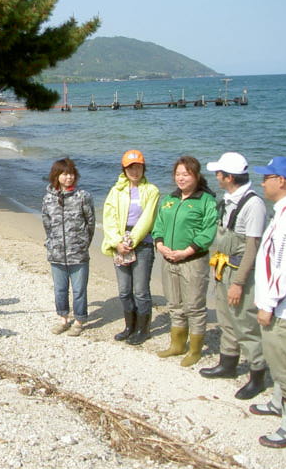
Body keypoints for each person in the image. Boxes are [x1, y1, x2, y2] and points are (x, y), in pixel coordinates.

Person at [248, 157, 286, 448]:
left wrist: (268, 304)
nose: (262, 182)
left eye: (267, 177)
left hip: (283, 307)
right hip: (275, 303)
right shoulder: (283, 213)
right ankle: (277, 402)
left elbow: (285, 267)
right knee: (275, 355)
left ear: (281, 181)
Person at [200, 152, 268, 400]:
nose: (216, 176)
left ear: (229, 177)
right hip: (222, 267)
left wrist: (238, 283)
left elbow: (252, 247)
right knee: (226, 317)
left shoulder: (253, 205)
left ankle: (257, 375)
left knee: (245, 323)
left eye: (219, 173)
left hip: (240, 271)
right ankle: (227, 364)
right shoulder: (229, 199)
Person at [152, 156, 217, 366]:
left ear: (196, 176)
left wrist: (186, 252)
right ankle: (177, 344)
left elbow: (209, 231)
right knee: (174, 303)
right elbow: (159, 224)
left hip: (193, 261)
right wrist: (160, 245)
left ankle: (195, 349)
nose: (181, 178)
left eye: (186, 174)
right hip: (168, 259)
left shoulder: (206, 200)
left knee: (194, 306)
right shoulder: (169, 199)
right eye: (178, 174)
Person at [101, 150, 160, 345]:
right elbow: (108, 218)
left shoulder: (152, 190)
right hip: (120, 243)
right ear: (124, 169)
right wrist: (117, 242)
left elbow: (147, 219)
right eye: (130, 167)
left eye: (138, 167)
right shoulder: (116, 191)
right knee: (124, 290)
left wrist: (131, 241)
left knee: (140, 290)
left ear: (144, 168)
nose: (135, 171)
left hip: (141, 244)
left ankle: (143, 329)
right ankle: (130, 326)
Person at [42, 158, 96, 336]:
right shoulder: (49, 198)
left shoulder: (83, 196)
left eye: (72, 174)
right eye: (65, 174)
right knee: (60, 289)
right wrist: (52, 243)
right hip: (56, 253)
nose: (69, 177)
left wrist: (82, 244)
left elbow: (90, 223)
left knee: (79, 290)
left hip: (78, 253)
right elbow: (47, 224)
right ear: (56, 176)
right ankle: (63, 319)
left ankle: (79, 320)